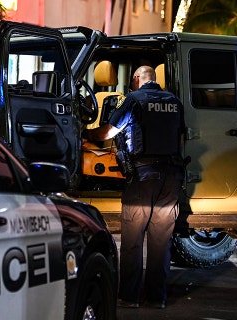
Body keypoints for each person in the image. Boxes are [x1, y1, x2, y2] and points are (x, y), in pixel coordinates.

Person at [84, 65, 185, 309]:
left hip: (142, 177)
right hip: (171, 178)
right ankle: (156, 298)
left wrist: (85, 134)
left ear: (138, 79)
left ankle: (129, 297)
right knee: (161, 241)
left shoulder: (134, 99)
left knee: (133, 238)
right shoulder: (174, 102)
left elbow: (110, 131)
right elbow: (181, 139)